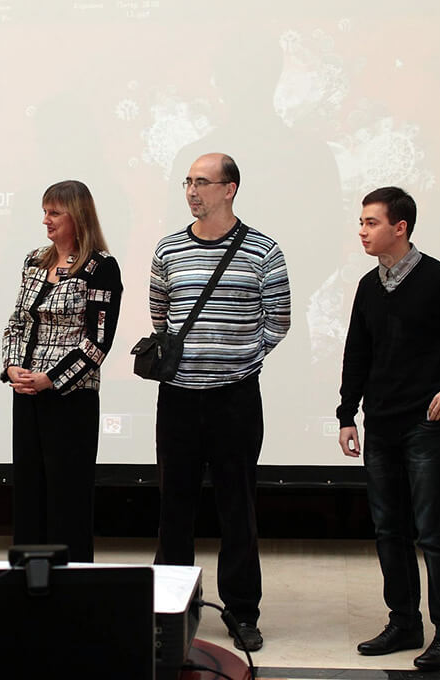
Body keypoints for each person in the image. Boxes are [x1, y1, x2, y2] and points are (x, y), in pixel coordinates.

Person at [337, 187, 440, 671]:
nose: (362, 231)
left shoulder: (439, 279)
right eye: (361, 222)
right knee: (389, 530)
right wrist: (347, 413)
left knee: (434, 533)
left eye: (371, 222)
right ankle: (404, 622)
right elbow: (357, 352)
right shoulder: (369, 286)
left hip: (425, 426)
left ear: (400, 227)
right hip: (380, 424)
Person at [150, 153, 290, 652]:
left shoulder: (263, 250)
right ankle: (169, 611)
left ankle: (242, 612)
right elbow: (160, 316)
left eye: (203, 182)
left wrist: (240, 360)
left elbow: (278, 321)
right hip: (179, 399)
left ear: (229, 189)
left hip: (236, 399)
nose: (192, 191)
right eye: (188, 182)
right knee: (174, 508)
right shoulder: (168, 249)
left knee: (237, 508)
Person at [1, 180, 123, 563]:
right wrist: (13, 367)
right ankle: (28, 578)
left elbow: (98, 342)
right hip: (27, 394)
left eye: (54, 213)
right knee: (29, 492)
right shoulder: (34, 260)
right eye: (44, 212)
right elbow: (17, 322)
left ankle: (72, 582)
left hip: (71, 399)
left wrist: (51, 379)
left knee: (68, 497)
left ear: (78, 216)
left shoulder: (101, 268)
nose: (46, 220)